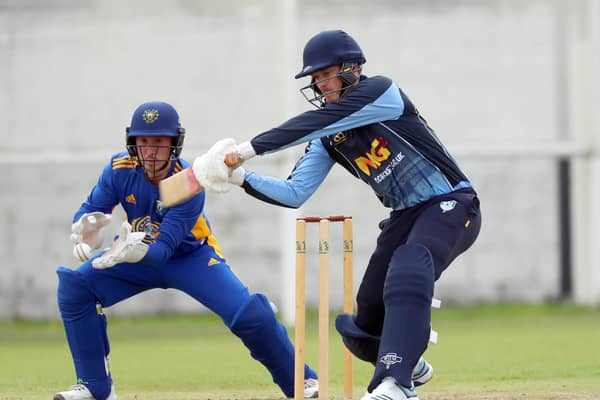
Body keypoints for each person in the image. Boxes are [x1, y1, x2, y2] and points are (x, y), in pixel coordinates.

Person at [192, 30, 482, 400]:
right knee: (363, 328)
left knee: (410, 264)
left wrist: (241, 153)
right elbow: (295, 192)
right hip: (404, 216)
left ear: (353, 69)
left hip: (452, 203)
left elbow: (315, 122)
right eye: (316, 79)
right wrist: (239, 178)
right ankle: (409, 359)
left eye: (326, 74)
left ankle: (395, 383)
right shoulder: (329, 137)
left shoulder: (381, 92)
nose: (320, 84)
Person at [54, 101, 319, 400]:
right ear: (133, 143)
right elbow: (94, 209)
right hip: (130, 252)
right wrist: (89, 227)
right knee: (75, 288)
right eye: (143, 142)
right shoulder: (118, 169)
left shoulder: (189, 181)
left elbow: (164, 249)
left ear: (174, 144)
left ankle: (302, 383)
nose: (151, 151)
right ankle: (94, 387)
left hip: (190, 257)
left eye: (159, 142)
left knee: (250, 316)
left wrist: (131, 250)